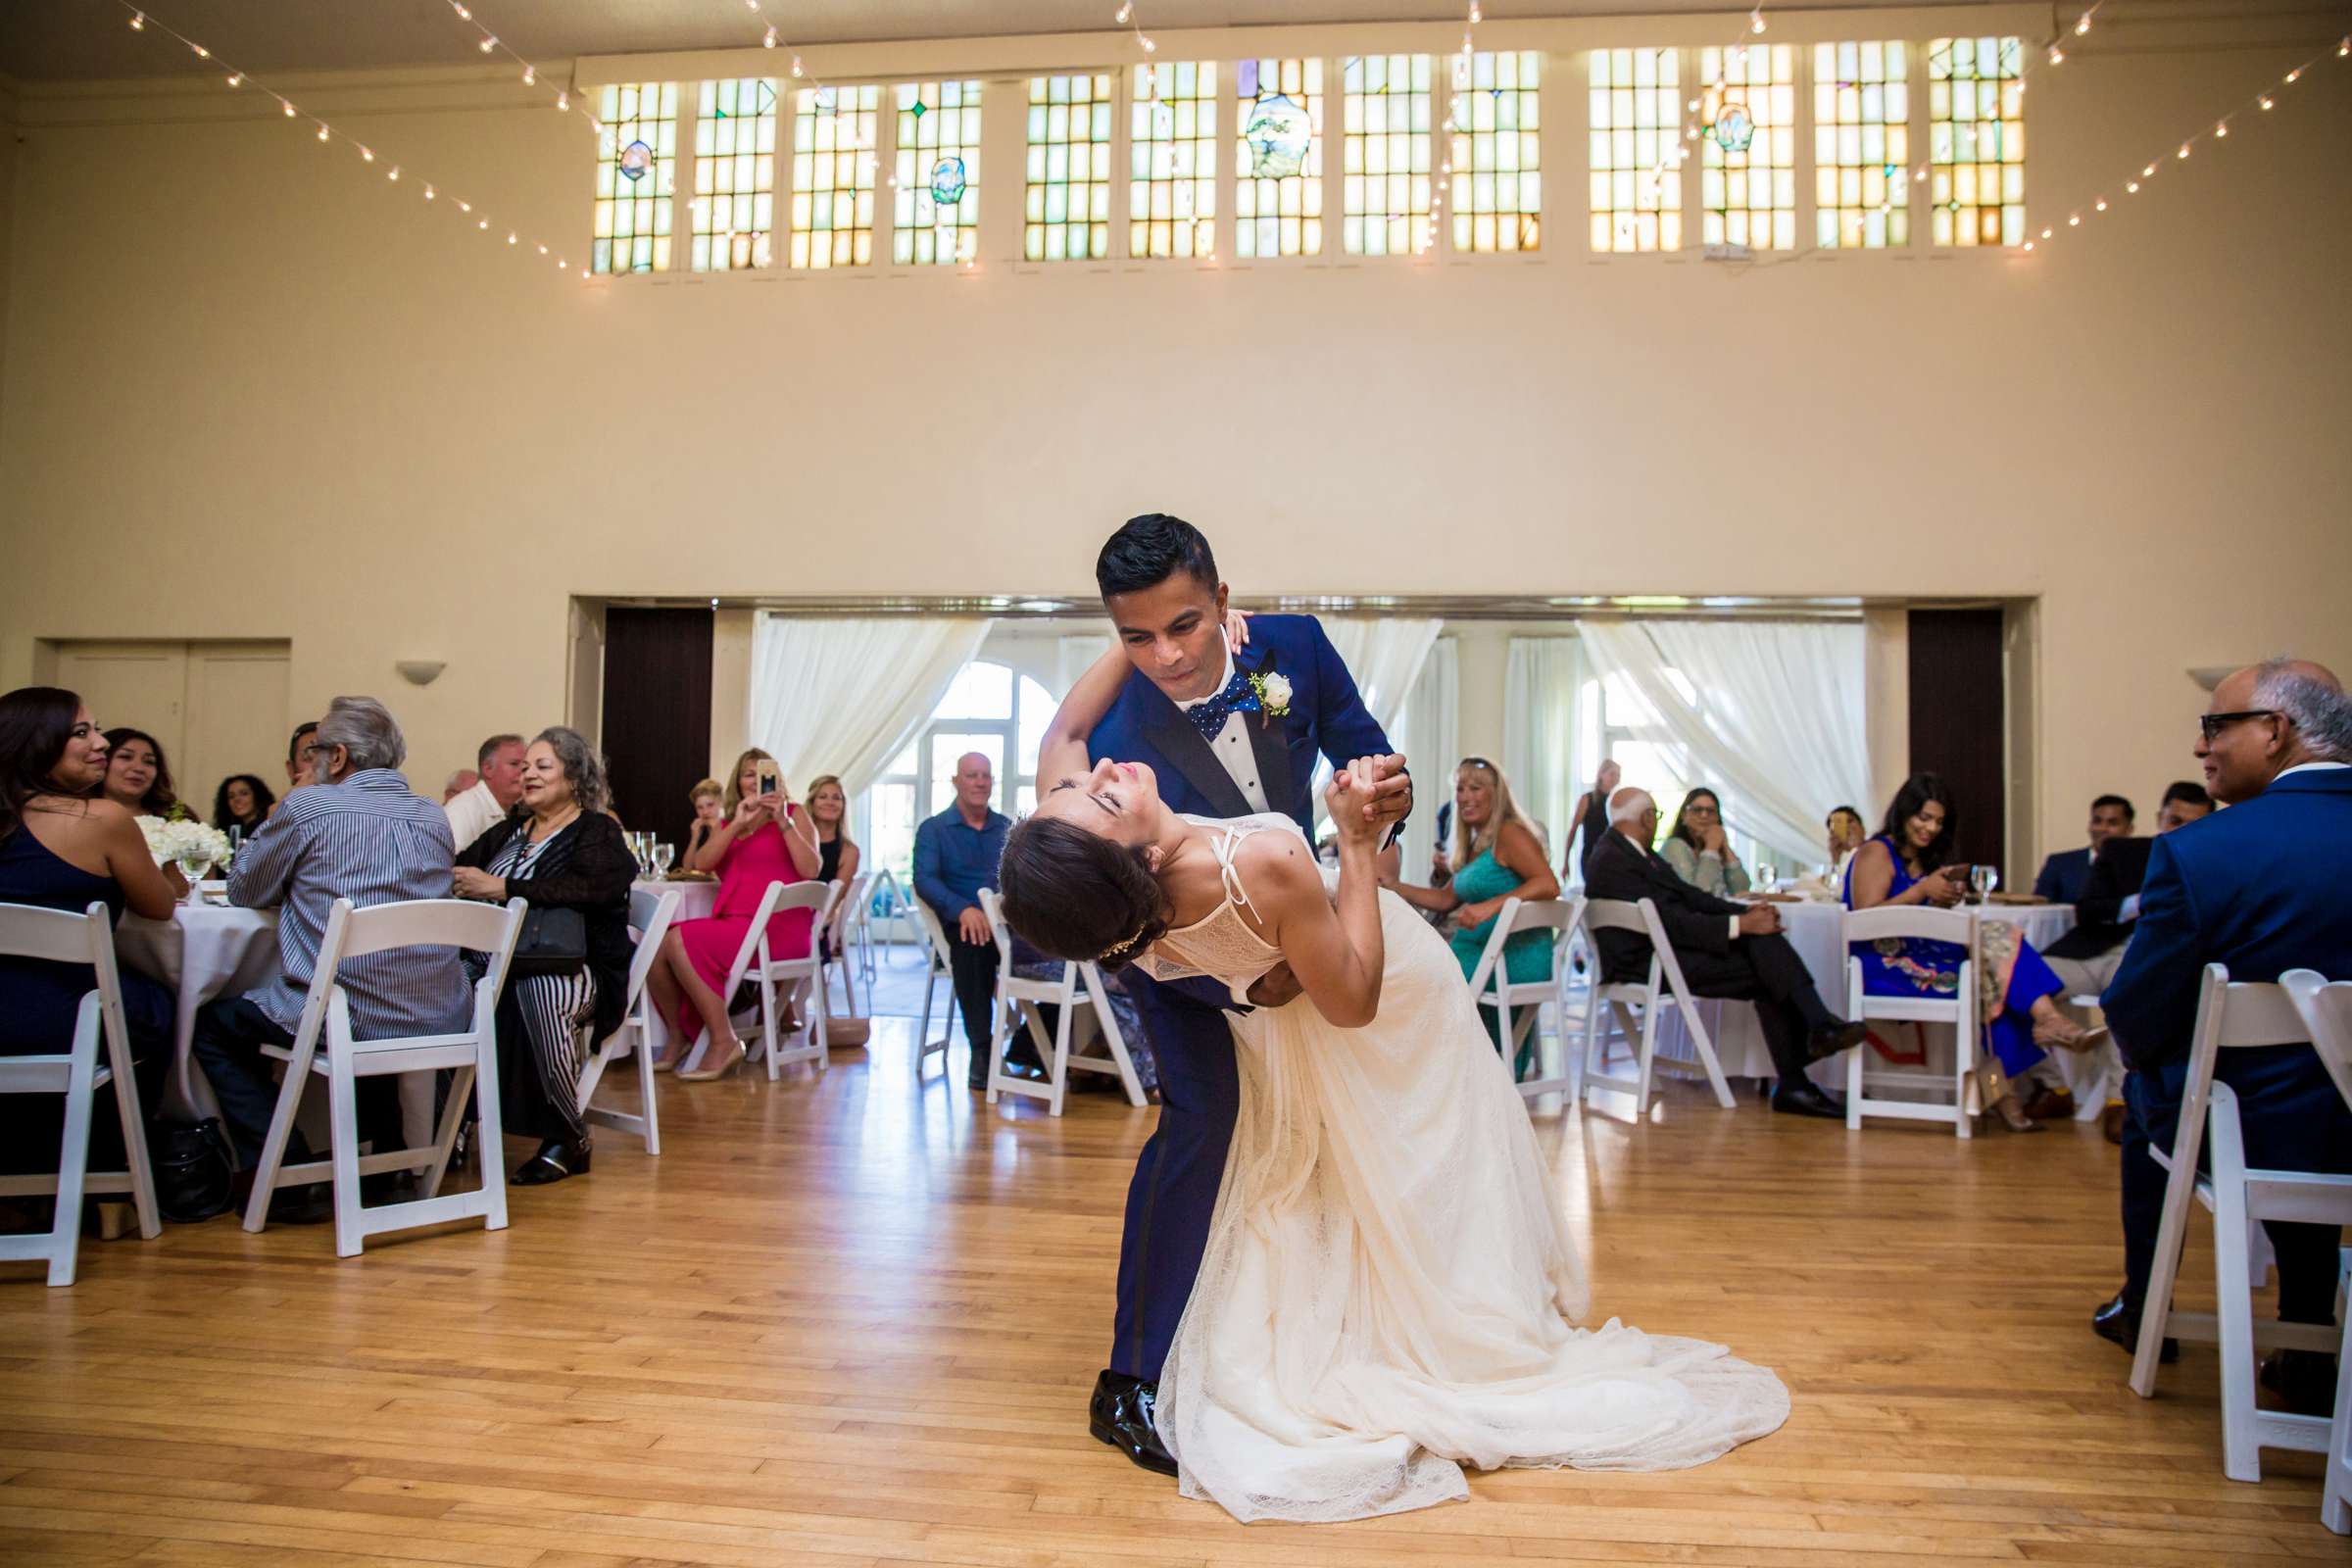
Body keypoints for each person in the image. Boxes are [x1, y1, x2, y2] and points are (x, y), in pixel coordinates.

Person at [1000, 657, 1786, 1523]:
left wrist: (1130, 642)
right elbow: (1354, 999)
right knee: (1423, 1157)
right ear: (1141, 854)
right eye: (1103, 795)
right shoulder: (1260, 860)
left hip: (1280, 1025)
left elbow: (1063, 735)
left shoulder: (1081, 880)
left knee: (1357, 1169)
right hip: (1383, 994)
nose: (1104, 770)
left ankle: (1385, 1316)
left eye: (1085, 785)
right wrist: (1359, 846)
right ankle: (1444, 1329)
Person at [1054, 514, 1414, 1481]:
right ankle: (1129, 1377)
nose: (1165, 655)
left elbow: (1366, 756)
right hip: (1174, 957)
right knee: (1202, 1123)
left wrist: (1384, 803)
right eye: (1138, 636)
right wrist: (1246, 979)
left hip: (1300, 908)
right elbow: (1122, 917)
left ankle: (1342, 1332)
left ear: (1222, 599)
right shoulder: (1117, 737)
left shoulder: (1284, 651)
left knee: (1346, 1132)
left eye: (1184, 624)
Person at [2092, 661, 2352, 1414]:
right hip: (2338, 1128)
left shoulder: (2204, 852)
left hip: (2257, 1130)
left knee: (2151, 1099)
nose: (2201, 747)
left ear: (2275, 731)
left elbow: (2135, 1011)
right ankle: (2306, 1332)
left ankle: (2146, 1304)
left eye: (2215, 726)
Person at [191, 696, 468, 1221]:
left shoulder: (309, 807)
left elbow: (246, 889)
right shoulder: (432, 814)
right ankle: (385, 1165)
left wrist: (284, 810)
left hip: (346, 1016)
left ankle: (285, 1171)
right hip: (436, 1012)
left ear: (337, 757)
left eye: (316, 749)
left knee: (215, 1027)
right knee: (371, 988)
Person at [1844, 772, 2099, 1134]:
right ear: (1904, 813)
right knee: (1995, 950)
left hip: (1923, 959)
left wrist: (1940, 898)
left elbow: (1921, 918)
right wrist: (1921, 892)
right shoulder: (1876, 851)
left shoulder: (1924, 860)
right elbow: (1864, 920)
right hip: (1886, 967)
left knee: (1991, 973)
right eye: (1924, 817)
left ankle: (2013, 1073)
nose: (1931, 828)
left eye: (1939, 821)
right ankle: (2037, 1036)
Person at [1589, 787, 1864, 1118]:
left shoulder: (1629, 852)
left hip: (1662, 952)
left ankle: (1805, 1061)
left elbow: (1691, 897)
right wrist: (1740, 925)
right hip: (1645, 963)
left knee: (1765, 957)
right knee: (1765, 958)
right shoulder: (1613, 859)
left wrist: (1743, 915)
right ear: (1647, 818)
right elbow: (1670, 920)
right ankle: (1810, 1048)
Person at [0, 688, 178, 1184]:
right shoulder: (100, 820)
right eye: (82, 732)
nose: (100, 742)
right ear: (36, 743)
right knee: (156, 1004)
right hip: (62, 1023)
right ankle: (110, 1178)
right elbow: (160, 908)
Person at [450, 727, 632, 1184]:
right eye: (525, 766)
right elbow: (461, 866)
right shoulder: (511, 830)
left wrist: (504, 887)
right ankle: (449, 1123)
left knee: (541, 990)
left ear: (573, 778)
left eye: (542, 766)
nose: (528, 774)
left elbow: (594, 889)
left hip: (576, 967)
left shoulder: (595, 829)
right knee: (441, 984)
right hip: (498, 962)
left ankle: (568, 1136)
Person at [645, 747, 820, 1081]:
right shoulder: (730, 822)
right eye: (747, 773)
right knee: (657, 943)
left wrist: (781, 820)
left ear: (776, 778)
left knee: (680, 941)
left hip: (777, 929)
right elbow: (701, 865)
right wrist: (737, 822)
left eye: (762, 773)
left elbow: (811, 868)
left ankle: (723, 1040)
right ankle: (679, 1034)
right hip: (736, 925)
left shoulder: (795, 814)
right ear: (738, 782)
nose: (755, 780)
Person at [1386, 757, 1558, 1076]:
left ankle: (1428, 1079)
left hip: (1512, 956)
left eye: (1475, 788)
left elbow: (1548, 884)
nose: (1465, 797)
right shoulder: (1480, 844)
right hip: (1482, 952)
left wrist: (1491, 907)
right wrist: (1393, 886)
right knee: (1412, 976)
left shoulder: (1510, 834)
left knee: (1417, 983)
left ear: (1497, 795)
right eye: (1461, 789)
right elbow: (1444, 898)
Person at [911, 751, 1047, 1090]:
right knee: (975, 945)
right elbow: (924, 880)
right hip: (961, 924)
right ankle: (982, 1053)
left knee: (1070, 954)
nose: (980, 782)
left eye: (986, 776)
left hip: (1010, 923)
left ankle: (1028, 1046)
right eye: (972, 775)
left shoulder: (1007, 827)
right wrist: (962, 909)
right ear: (956, 781)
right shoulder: (934, 830)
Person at [2033, 794, 2135, 905]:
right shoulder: (2059, 864)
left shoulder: (2142, 865)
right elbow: (2040, 908)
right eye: (2097, 821)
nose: (2103, 828)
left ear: (2129, 829)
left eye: (2113, 823)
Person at [1660, 786, 1751, 898]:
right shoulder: (1673, 846)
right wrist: (1711, 848)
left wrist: (1725, 846)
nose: (1704, 815)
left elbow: (1742, 891)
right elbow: (1698, 894)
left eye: (1711, 811)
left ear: (1718, 817)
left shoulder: (1717, 848)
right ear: (1684, 815)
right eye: (1697, 810)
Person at [444, 734, 526, 855]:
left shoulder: (520, 811)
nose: (524, 772)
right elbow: (446, 867)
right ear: (488, 769)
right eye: (514, 764)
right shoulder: (462, 810)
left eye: (526, 765)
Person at [1560, 757, 1621, 883]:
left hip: (1612, 858)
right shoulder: (1587, 799)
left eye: (1618, 775)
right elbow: (1573, 831)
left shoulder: (1618, 801)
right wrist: (1566, 863)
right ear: (1601, 775)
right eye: (1612, 774)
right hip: (1591, 856)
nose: (1615, 778)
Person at [99, 726, 176, 817]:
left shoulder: (176, 816)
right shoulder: (80, 815)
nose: (139, 768)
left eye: (149, 762)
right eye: (126, 757)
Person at [211, 773, 276, 839]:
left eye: (244, 794)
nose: (237, 799)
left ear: (257, 796)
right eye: (231, 796)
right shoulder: (227, 832)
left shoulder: (269, 827)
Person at [682, 777, 726, 863]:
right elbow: (687, 868)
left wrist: (715, 831)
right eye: (700, 807)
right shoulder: (698, 829)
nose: (705, 812)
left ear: (720, 802)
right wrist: (694, 838)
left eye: (710, 805)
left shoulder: (729, 828)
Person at [1825, 805, 1867, 882]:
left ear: (1863, 829)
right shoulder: (1839, 863)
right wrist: (1835, 859)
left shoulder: (1880, 849)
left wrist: (1858, 848)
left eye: (1850, 821)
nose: (1846, 826)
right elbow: (1833, 889)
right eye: (1837, 824)